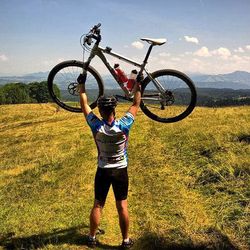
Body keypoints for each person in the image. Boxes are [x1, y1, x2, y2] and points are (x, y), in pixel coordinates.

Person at [78, 76, 141, 249]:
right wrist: (138, 85)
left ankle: (91, 238)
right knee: (122, 206)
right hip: (120, 170)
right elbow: (136, 105)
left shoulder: (96, 125)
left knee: (98, 204)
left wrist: (81, 85)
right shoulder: (124, 124)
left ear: (100, 110)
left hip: (103, 169)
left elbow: (84, 105)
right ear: (114, 108)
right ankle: (125, 240)